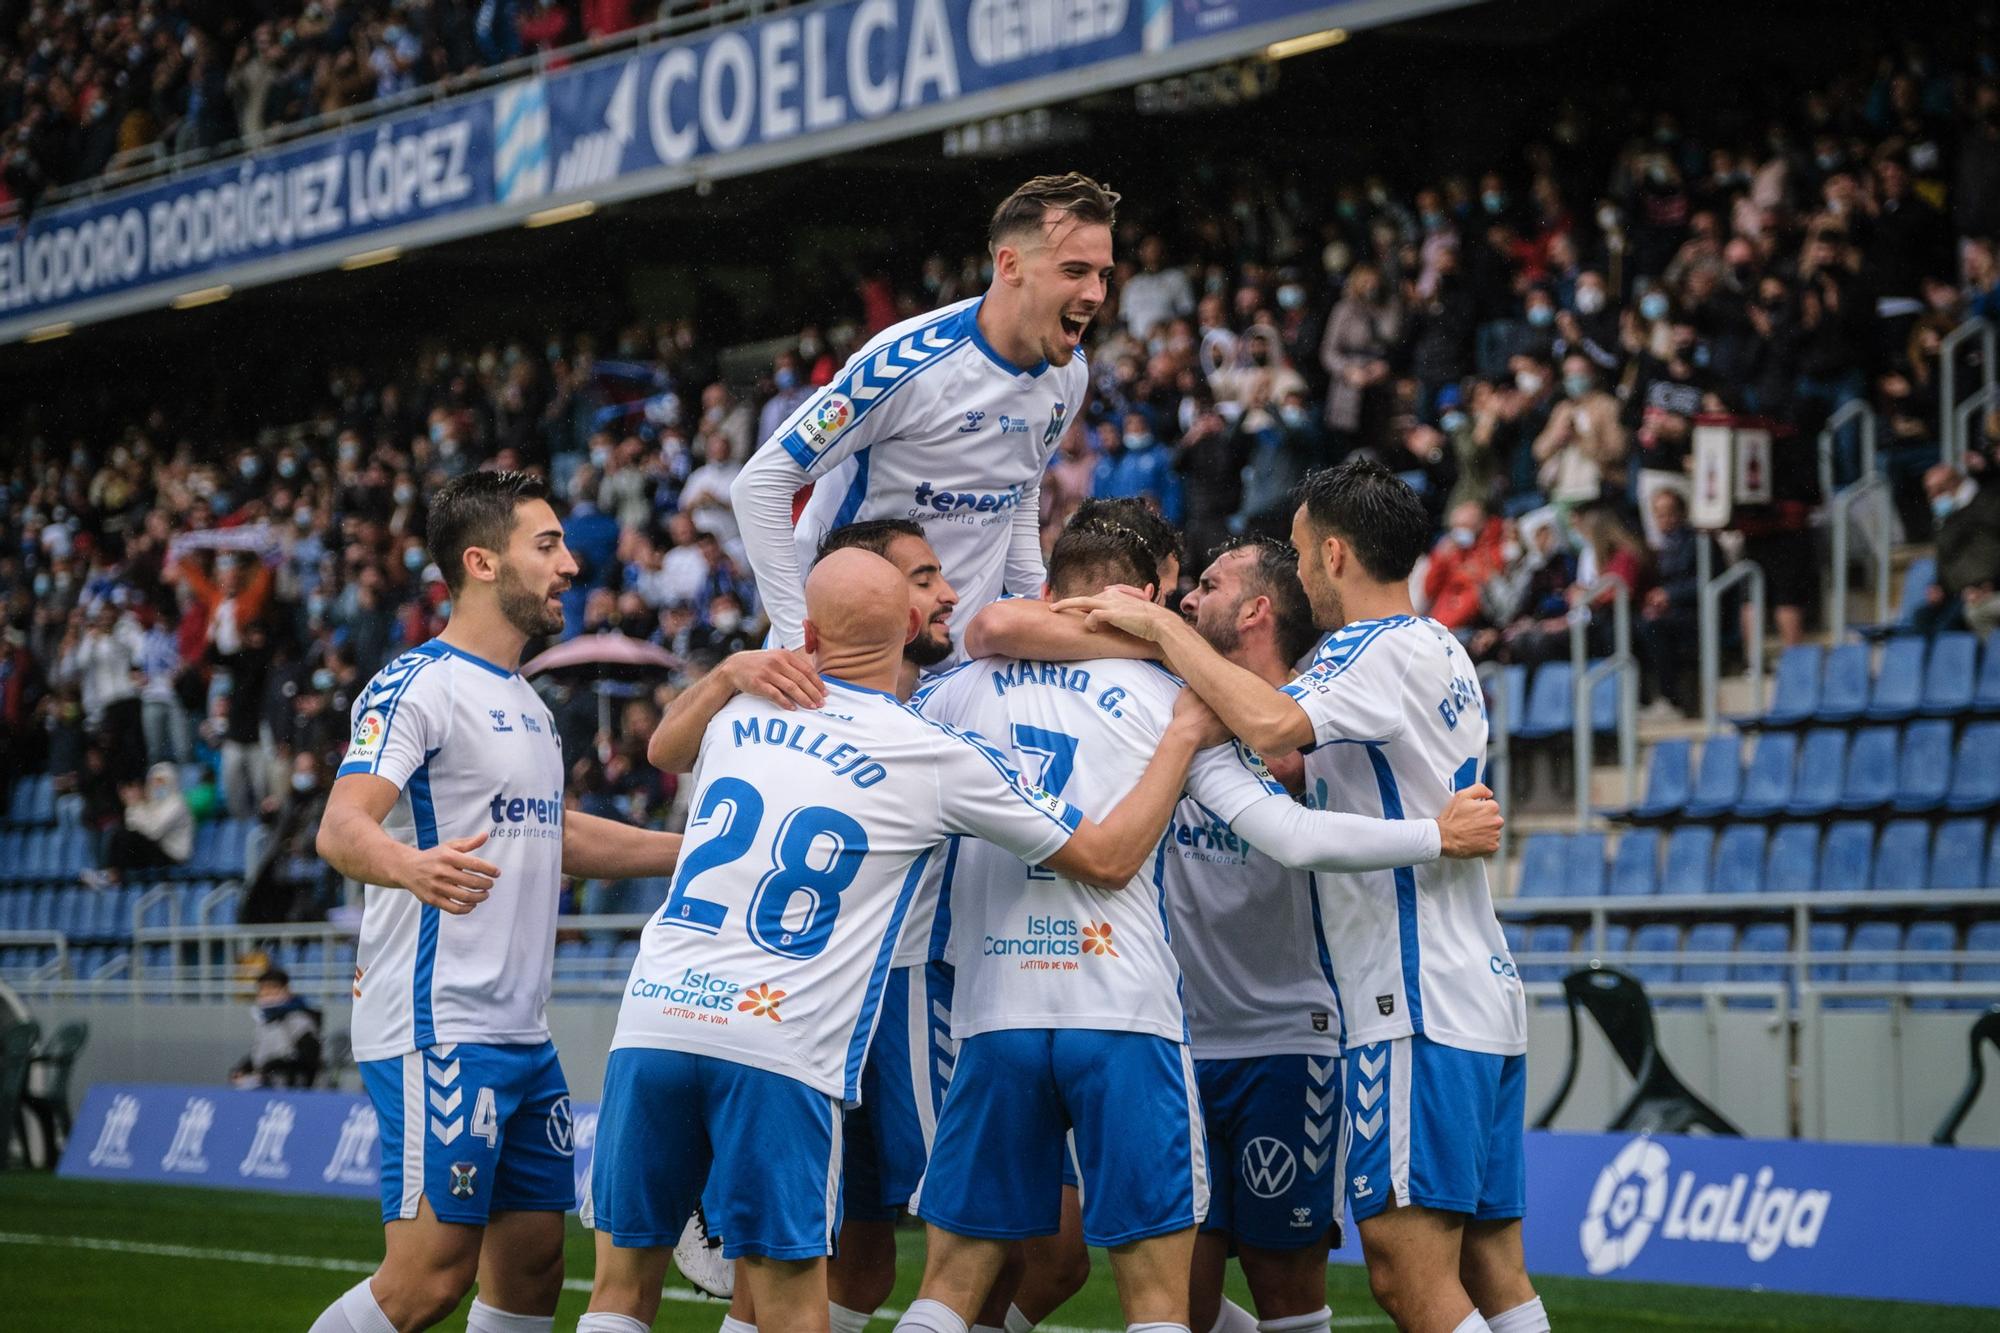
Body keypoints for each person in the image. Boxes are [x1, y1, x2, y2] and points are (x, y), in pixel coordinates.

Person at [578, 548, 1207, 1333]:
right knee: (789, 1302)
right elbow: (1109, 858)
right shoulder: (930, 751)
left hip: (653, 1018)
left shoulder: (741, 710)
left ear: (805, 631)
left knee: (617, 1291)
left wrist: (730, 670)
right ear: (912, 627)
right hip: (778, 1043)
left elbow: (666, 748)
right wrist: (1182, 734)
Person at [898, 519, 1501, 1333]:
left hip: (1071, 1017)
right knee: (1160, 1299)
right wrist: (1437, 833)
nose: (1184, 601)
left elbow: (976, 635)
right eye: (1176, 590)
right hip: (1137, 1023)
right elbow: (1290, 831)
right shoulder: (1184, 711)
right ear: (1137, 599)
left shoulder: (959, 691)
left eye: (1205, 588)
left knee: (957, 1278)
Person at [1056, 459, 1543, 1333]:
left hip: (1413, 997)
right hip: (1481, 989)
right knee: (1496, 1269)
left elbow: (1277, 726)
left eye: (1298, 550)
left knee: (1405, 1273)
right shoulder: (1444, 647)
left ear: (1332, 552)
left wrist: (1160, 635)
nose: (1298, 570)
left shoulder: (1367, 646)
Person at [305, 470, 690, 1333]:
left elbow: (554, 833)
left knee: (532, 1270)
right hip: (437, 1022)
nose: (569, 565)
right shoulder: (417, 686)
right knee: (428, 1281)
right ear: (481, 561)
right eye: (546, 545)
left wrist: (697, 853)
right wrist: (409, 864)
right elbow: (340, 825)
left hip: (520, 1031)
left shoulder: (530, 703)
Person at [731, 173, 1116, 663]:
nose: (1095, 294)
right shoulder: (902, 366)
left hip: (955, 673)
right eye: (1075, 271)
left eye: (1102, 275)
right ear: (1010, 264)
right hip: (846, 668)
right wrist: (793, 642)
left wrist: (1030, 604)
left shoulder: (1069, 373)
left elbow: (1018, 493)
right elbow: (759, 485)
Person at [230, 967, 324, 1089]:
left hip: (293, 1091)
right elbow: (258, 1055)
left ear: (285, 990)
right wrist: (243, 1068)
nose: (266, 993)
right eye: (263, 989)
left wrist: (275, 1066)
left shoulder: (299, 1020)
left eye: (272, 988)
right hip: (265, 1088)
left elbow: (309, 1060)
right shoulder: (264, 1021)